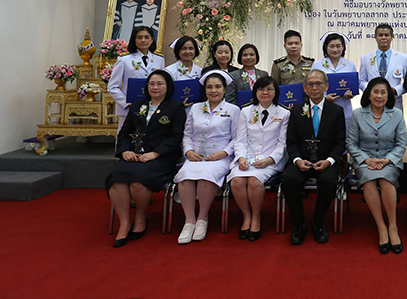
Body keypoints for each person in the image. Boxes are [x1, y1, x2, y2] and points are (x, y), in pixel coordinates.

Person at [106, 70, 185, 248]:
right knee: (116, 179)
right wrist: (124, 151)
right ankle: (124, 223)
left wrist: (156, 153)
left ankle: (141, 216)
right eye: (152, 83)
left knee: (138, 182)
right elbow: (124, 132)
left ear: (168, 86)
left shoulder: (175, 107)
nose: (155, 87)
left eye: (160, 84)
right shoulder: (137, 105)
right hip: (134, 154)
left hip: (161, 157)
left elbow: (176, 137)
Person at [174, 70, 239, 244]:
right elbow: (187, 134)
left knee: (206, 177)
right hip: (196, 155)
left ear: (224, 89)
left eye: (218, 87)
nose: (213, 90)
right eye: (209, 87)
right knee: (185, 177)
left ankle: (202, 218)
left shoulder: (233, 110)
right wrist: (188, 152)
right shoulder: (196, 108)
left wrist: (223, 153)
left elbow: (237, 138)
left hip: (220, 157)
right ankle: (189, 221)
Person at [282, 70, 346, 245]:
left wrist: (329, 161)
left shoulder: (336, 111)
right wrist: (297, 160)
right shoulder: (296, 110)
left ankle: (318, 223)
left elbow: (340, 143)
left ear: (326, 86)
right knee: (288, 180)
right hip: (302, 160)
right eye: (310, 84)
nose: (315, 87)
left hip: (327, 160)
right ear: (304, 88)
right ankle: (299, 224)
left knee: (328, 181)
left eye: (319, 84)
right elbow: (291, 142)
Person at [346, 77, 407, 254]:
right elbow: (351, 143)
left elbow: (401, 143)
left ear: (388, 96)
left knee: (387, 182)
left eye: (383, 92)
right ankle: (381, 226)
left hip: (389, 160)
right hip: (365, 161)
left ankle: (393, 226)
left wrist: (387, 160)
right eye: (375, 92)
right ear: (368, 94)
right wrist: (366, 160)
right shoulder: (358, 114)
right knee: (369, 182)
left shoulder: (396, 114)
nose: (379, 96)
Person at [228, 76, 289, 242]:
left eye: (269, 89)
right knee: (237, 182)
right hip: (247, 157)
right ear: (255, 92)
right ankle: (246, 216)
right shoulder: (246, 111)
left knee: (254, 181)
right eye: (261, 89)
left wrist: (270, 159)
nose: (265, 92)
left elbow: (282, 143)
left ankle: (256, 217)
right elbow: (240, 139)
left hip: (270, 160)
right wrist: (241, 157)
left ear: (275, 92)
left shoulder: (284, 113)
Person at [107, 26, 165, 132]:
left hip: (153, 107)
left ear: (152, 39)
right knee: (127, 137)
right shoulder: (124, 59)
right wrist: (127, 103)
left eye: (146, 37)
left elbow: (162, 84)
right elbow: (112, 87)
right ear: (134, 40)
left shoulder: (159, 59)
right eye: (139, 37)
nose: (143, 40)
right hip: (130, 108)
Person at [311, 32, 356, 132]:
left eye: (338, 46)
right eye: (331, 46)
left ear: (343, 47)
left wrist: (351, 94)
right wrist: (324, 99)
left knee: (343, 135)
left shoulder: (350, 65)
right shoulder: (317, 64)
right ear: (326, 47)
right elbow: (310, 87)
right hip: (323, 107)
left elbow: (354, 86)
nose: (335, 49)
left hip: (344, 107)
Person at [359, 23, 407, 98]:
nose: (383, 38)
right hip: (373, 100)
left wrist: (395, 90)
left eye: (386, 35)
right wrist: (371, 89)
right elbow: (362, 81)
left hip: (394, 100)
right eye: (380, 35)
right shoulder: (365, 58)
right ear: (375, 37)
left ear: (392, 37)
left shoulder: (403, 58)